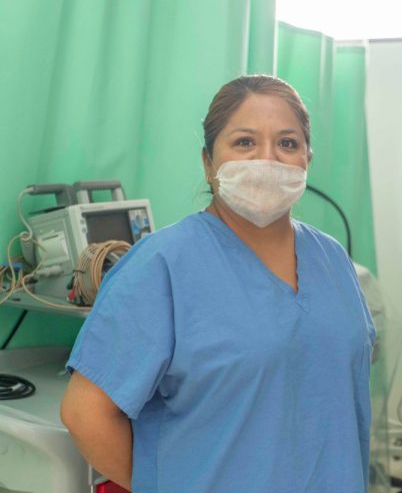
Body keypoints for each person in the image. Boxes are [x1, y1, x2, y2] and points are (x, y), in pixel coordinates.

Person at [60, 75, 376, 492]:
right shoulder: (162, 265)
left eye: (287, 143)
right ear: (209, 162)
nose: (267, 160)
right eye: (245, 143)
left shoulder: (332, 258)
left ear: (307, 159)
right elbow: (85, 413)